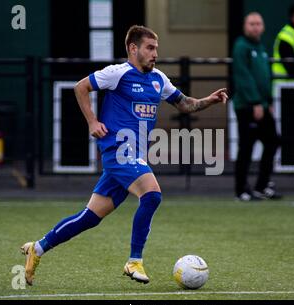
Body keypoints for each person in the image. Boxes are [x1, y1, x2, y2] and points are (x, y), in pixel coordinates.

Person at [21, 25, 228, 285]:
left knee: (90, 217)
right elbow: (80, 87)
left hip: (133, 155)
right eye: (150, 48)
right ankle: (134, 261)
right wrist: (92, 122)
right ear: (133, 49)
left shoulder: (159, 79)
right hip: (118, 151)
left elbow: (185, 103)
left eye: (156, 49)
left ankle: (37, 248)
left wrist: (209, 100)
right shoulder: (118, 73)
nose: (155, 54)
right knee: (152, 195)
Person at [232, 12, 281, 201]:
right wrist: (255, 102)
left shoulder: (261, 47)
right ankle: (241, 189)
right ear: (245, 26)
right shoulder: (241, 46)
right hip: (247, 106)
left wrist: (267, 102)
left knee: (273, 141)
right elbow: (243, 77)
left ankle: (261, 186)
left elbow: (264, 76)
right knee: (246, 147)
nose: (255, 27)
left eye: (258, 24)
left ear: (263, 26)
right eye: (251, 24)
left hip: (262, 104)